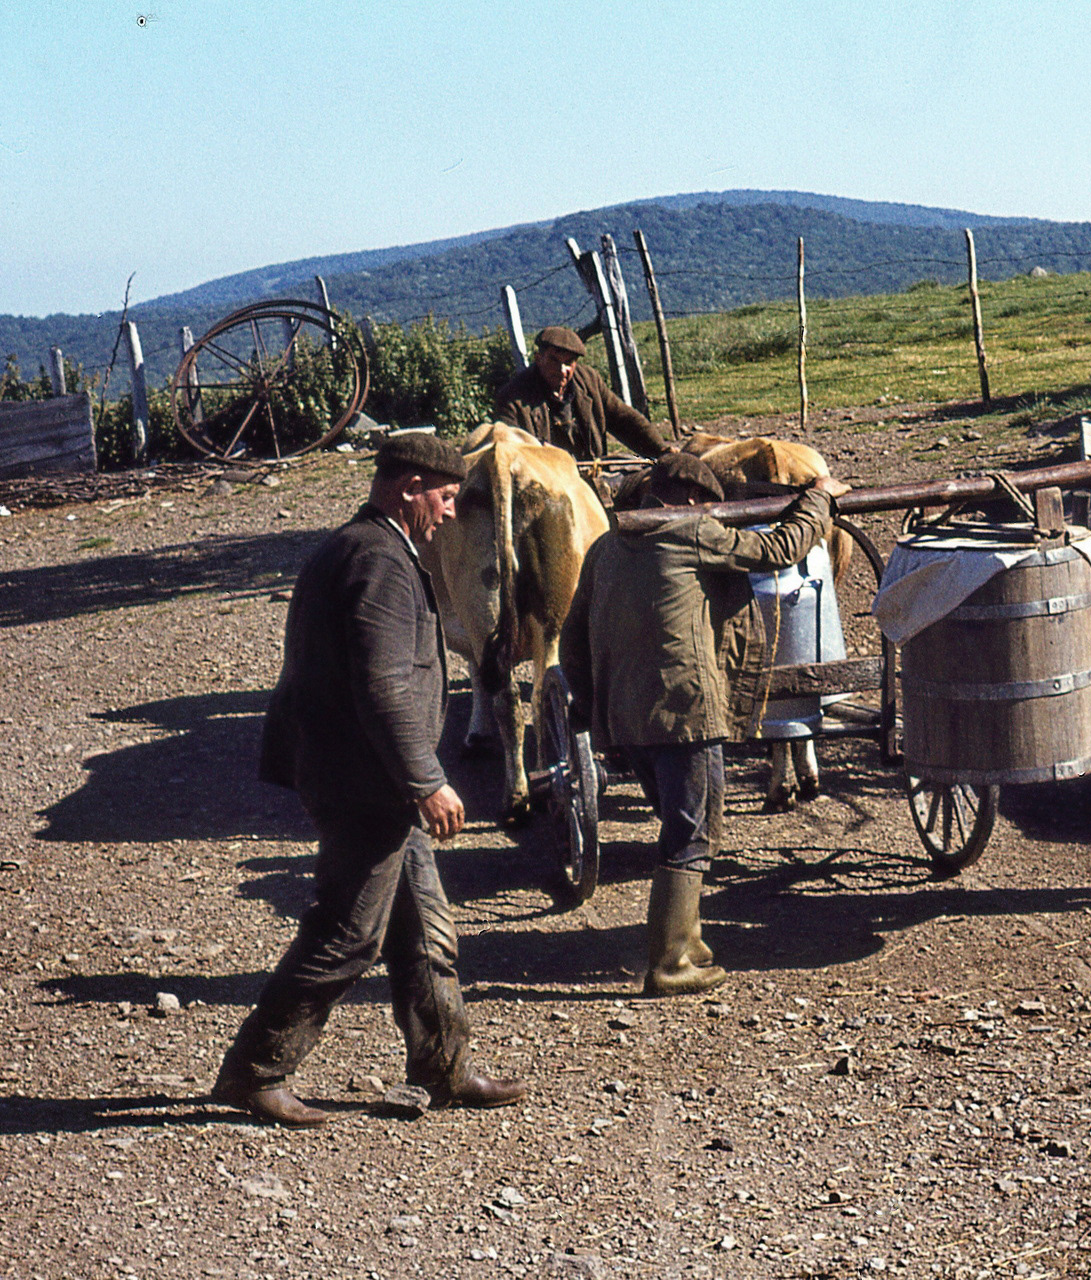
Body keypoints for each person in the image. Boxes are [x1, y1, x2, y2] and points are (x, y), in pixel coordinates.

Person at [212, 434, 527, 1127]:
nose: (448, 515)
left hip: (368, 775)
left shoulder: (366, 547)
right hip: (365, 781)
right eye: (444, 499)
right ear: (409, 486)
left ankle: (444, 1067)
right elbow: (383, 683)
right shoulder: (377, 558)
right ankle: (255, 1072)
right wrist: (426, 779)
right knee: (349, 932)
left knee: (425, 931)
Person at [559, 452, 847, 995]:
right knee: (693, 831)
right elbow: (777, 550)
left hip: (627, 718)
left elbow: (572, 639)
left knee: (680, 826)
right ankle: (670, 964)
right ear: (692, 500)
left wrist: (592, 711)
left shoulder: (605, 547)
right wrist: (819, 498)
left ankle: (688, 944)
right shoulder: (690, 531)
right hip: (685, 712)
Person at [492, 325, 668, 463]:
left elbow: (624, 419)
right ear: (539, 358)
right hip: (544, 477)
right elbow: (510, 452)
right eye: (554, 360)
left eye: (569, 362)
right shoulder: (513, 397)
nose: (562, 370)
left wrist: (661, 451)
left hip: (590, 472)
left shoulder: (589, 381)